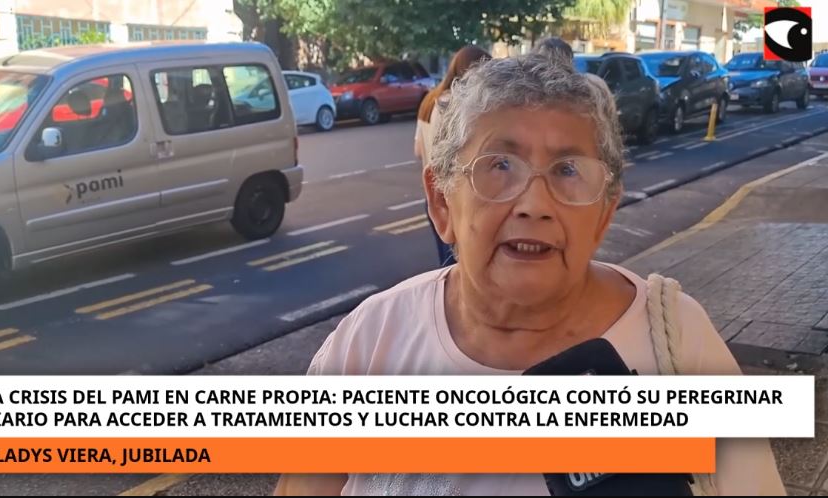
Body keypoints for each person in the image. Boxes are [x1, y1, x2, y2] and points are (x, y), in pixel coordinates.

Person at [275, 51, 784, 496]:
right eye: (499, 165)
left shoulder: (675, 339)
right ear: (441, 202)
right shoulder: (370, 339)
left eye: (568, 170)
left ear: (604, 213)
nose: (535, 204)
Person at [415, 45, 491, 267]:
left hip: (433, 193)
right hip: (456, 194)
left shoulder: (430, 100)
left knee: (446, 263)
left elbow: (418, 149)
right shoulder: (458, 104)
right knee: (462, 265)